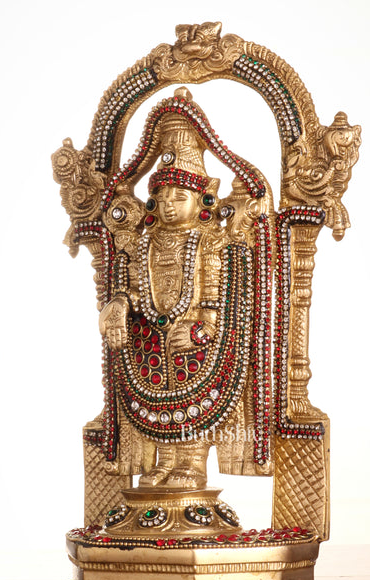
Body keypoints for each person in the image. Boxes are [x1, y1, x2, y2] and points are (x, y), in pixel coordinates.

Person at [99, 88, 272, 489]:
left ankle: (192, 463)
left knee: (194, 395)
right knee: (158, 396)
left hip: (197, 338)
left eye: (180, 196)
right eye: (161, 197)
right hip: (150, 338)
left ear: (202, 199)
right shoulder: (144, 243)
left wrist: (203, 327)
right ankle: (164, 461)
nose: (169, 204)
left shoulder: (209, 240)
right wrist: (120, 304)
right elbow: (136, 289)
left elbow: (215, 291)